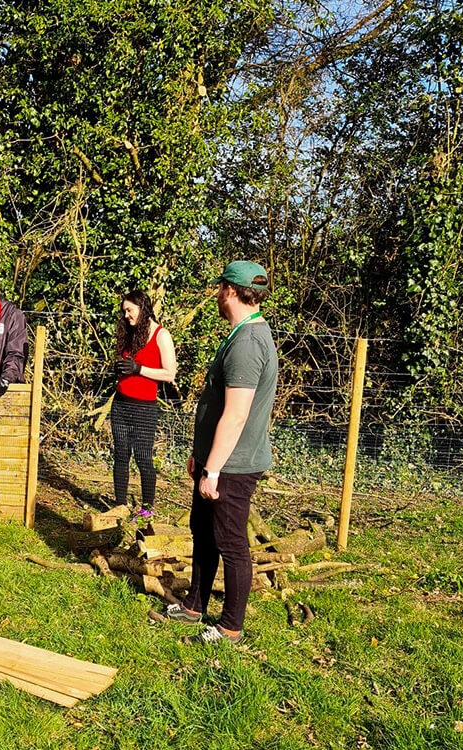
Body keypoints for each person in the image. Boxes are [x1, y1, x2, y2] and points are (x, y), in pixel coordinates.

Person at [165, 260, 278, 645]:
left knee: (231, 542)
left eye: (219, 288)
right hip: (216, 459)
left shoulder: (247, 343)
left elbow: (236, 413)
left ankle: (230, 627)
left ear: (229, 290)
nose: (217, 295)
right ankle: (194, 605)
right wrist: (202, 455)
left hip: (232, 464)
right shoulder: (245, 333)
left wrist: (213, 469)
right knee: (203, 532)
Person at [110, 290, 177, 510]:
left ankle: (147, 509)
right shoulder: (129, 332)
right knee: (121, 455)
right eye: (124, 311)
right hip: (120, 404)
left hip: (144, 409)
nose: (126, 315)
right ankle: (119, 507)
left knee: (143, 458)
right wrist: (120, 368)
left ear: (142, 308)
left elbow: (169, 374)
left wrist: (139, 369)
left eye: (130, 310)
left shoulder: (161, 335)